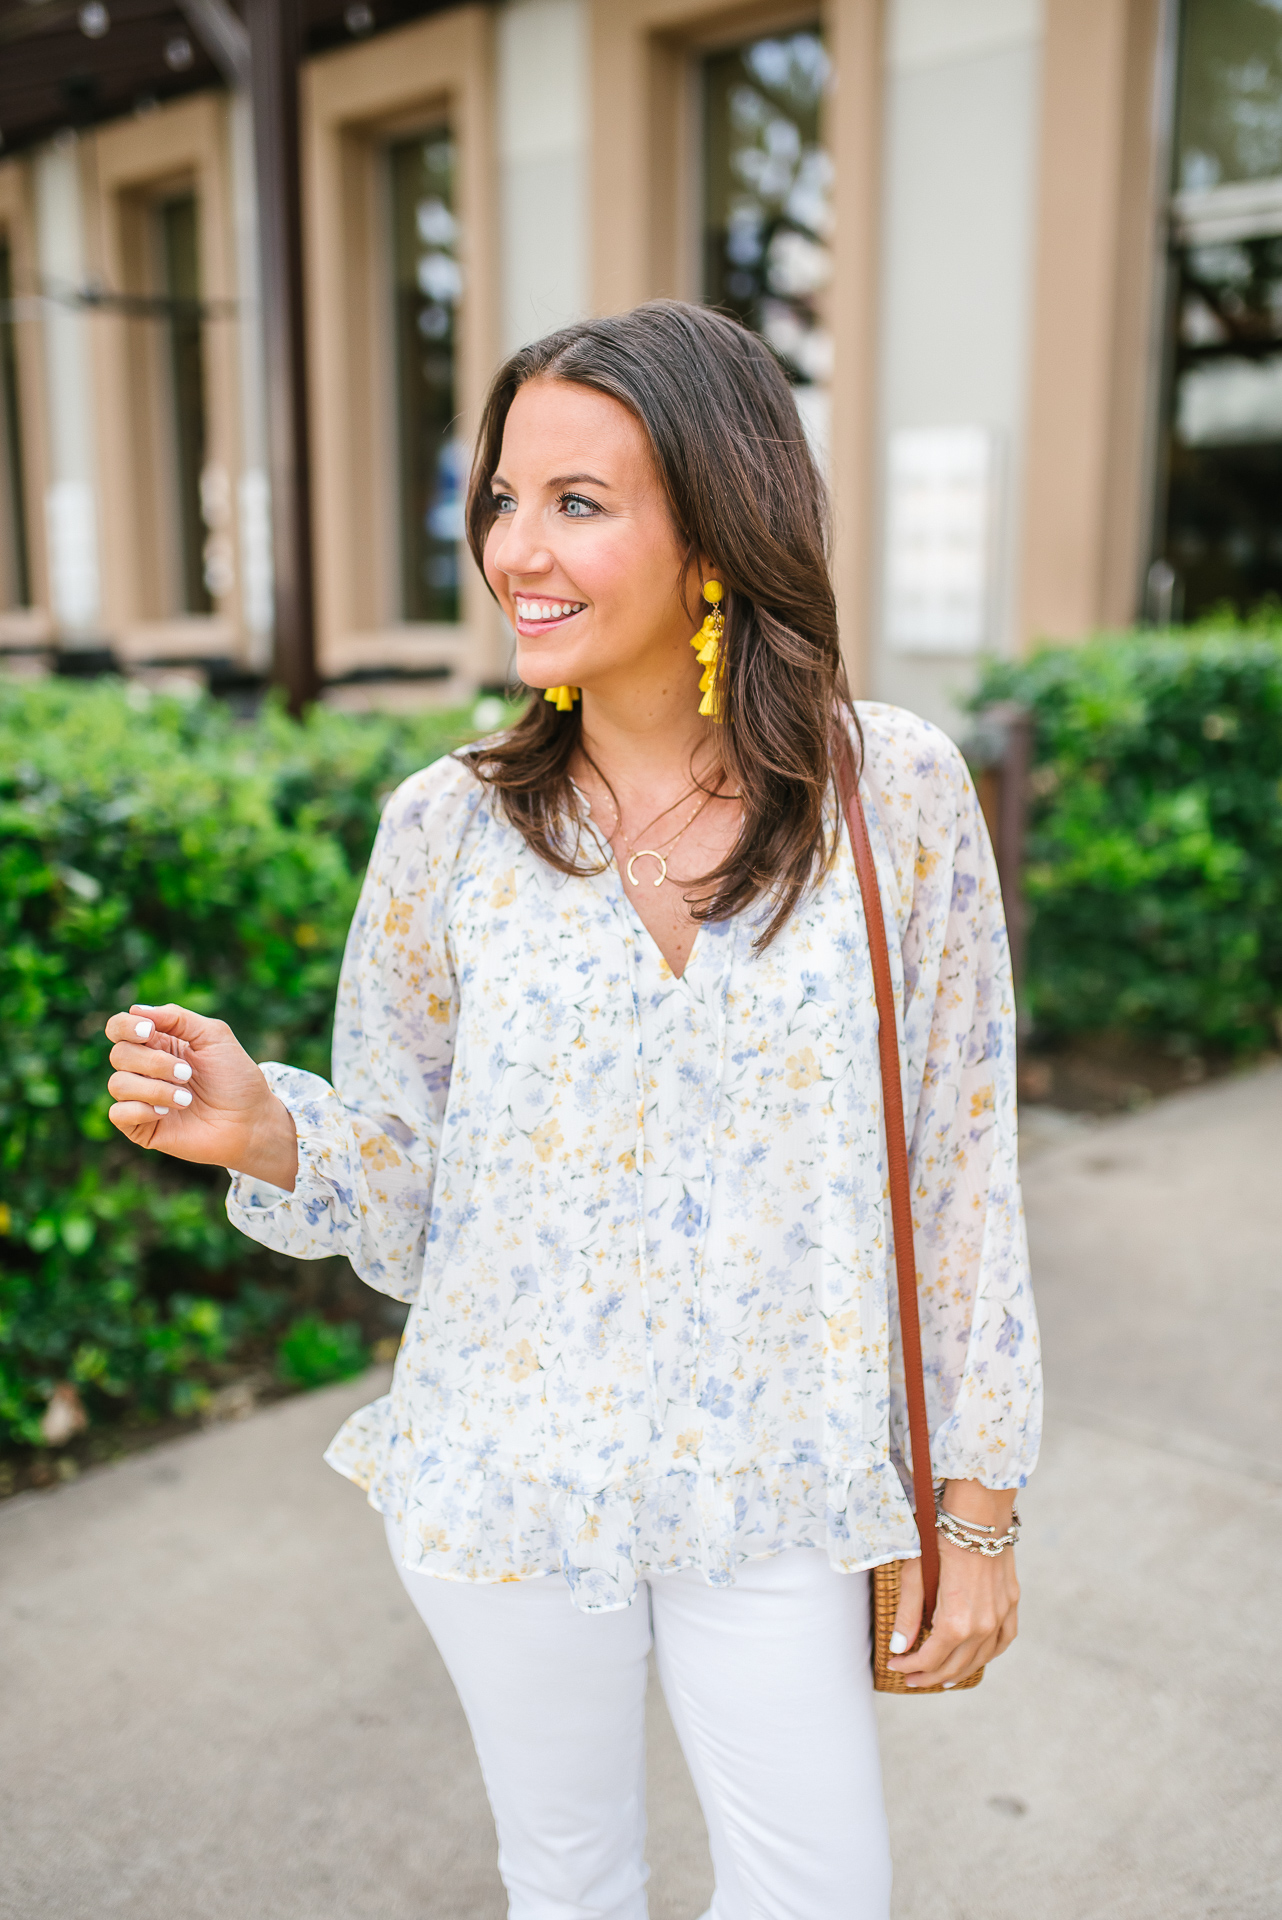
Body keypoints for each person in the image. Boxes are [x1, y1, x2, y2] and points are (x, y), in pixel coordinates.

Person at [104, 301, 1040, 1920]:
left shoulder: (890, 793)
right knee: (570, 1888)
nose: (512, 549)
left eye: (577, 503)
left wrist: (978, 1504)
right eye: (498, 498)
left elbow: (959, 1175)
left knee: (822, 1895)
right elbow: (408, 1198)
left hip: (783, 1479)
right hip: (509, 1478)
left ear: (715, 532)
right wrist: (266, 1131)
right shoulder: (446, 829)